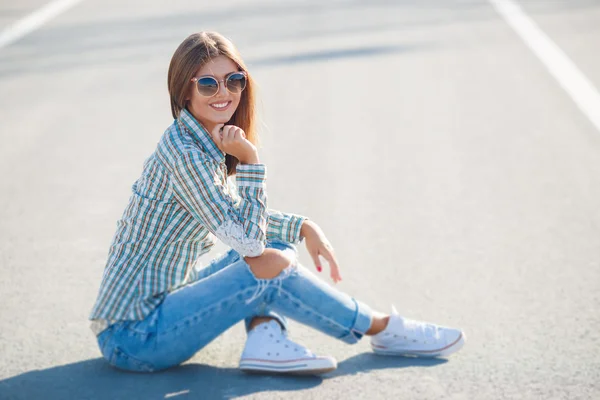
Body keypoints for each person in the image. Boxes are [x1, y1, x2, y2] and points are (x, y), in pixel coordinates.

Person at [89, 31, 466, 375]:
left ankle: (265, 339)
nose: (224, 93)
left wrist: (304, 227)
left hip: (161, 307)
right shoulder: (185, 154)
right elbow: (250, 244)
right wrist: (251, 160)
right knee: (268, 261)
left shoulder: (200, 142)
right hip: (134, 337)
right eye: (208, 83)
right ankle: (381, 327)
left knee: (277, 250)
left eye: (234, 80)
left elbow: (238, 219)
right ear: (184, 92)